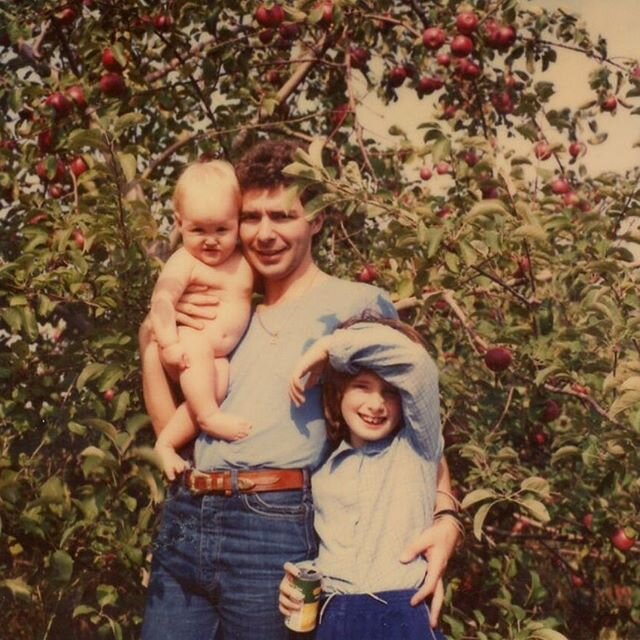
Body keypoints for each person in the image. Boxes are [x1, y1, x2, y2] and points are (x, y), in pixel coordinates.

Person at [139, 139, 460, 640]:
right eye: (251, 217)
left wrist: (446, 518)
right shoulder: (222, 307)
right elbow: (173, 429)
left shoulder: (355, 303)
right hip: (187, 514)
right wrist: (150, 344)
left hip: (272, 525)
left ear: (317, 220)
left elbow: (413, 425)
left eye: (283, 216)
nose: (264, 234)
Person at [280, 317, 460, 639]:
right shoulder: (324, 468)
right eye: (362, 386)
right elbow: (331, 549)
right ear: (339, 393)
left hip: (401, 611)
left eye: (390, 393)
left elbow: (417, 365)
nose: (376, 404)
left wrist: (330, 346)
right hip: (334, 613)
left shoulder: (417, 448)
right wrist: (296, 582)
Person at [145, 160, 254, 479]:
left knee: (216, 385)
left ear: (238, 222)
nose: (210, 240)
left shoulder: (243, 261)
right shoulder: (184, 262)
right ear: (179, 223)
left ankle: (165, 444)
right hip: (189, 343)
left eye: (222, 229)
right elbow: (163, 298)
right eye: (198, 230)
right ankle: (209, 417)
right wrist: (167, 342)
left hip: (216, 357)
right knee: (205, 379)